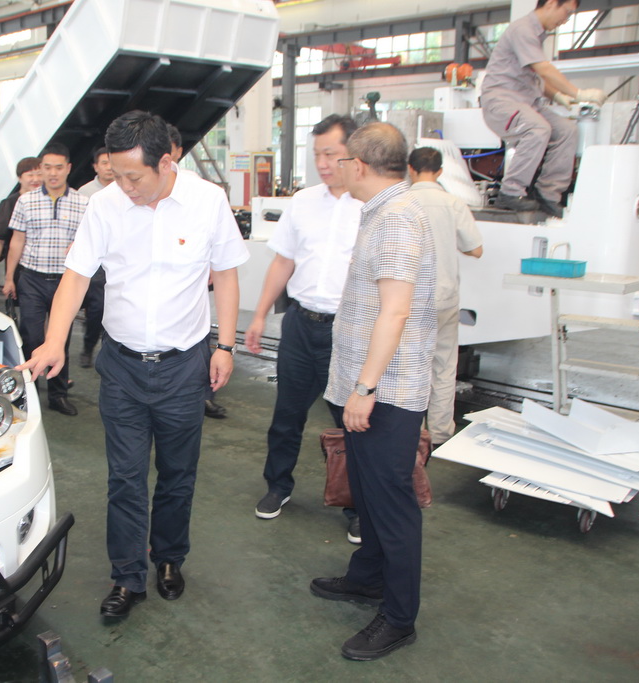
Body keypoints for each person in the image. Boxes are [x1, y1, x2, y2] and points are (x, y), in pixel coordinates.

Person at [20, 110, 247, 619]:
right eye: (116, 175)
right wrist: (54, 341)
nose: (123, 187)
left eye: (133, 177)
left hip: (184, 366)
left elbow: (227, 275)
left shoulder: (207, 200)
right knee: (125, 478)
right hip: (122, 367)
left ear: (165, 163)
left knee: (177, 473)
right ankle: (126, 576)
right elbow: (76, 275)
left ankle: (168, 559)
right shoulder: (105, 205)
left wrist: (226, 347)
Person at [310, 122, 436, 662]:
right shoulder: (380, 212)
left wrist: (365, 387)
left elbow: (396, 311)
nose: (333, 167)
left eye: (339, 159)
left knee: (392, 505)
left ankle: (399, 618)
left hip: (387, 391)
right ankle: (367, 579)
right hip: (364, 386)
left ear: (358, 165)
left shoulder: (399, 218)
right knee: (368, 494)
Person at [246, 114, 362, 526]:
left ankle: (357, 505)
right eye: (317, 155)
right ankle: (278, 486)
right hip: (300, 324)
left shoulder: (373, 205)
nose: (323, 163)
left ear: (354, 152)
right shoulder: (304, 202)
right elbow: (283, 262)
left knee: (351, 421)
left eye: (331, 154)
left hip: (348, 330)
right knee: (287, 415)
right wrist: (259, 315)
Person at [480, 0, 605, 217]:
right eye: (566, 12)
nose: (565, 20)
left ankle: (547, 195)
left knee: (567, 130)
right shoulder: (523, 30)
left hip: (527, 103)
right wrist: (578, 94)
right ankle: (510, 192)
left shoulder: (537, 36)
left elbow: (535, 77)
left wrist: (557, 96)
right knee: (538, 128)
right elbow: (544, 69)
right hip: (502, 102)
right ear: (551, 3)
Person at [407, 147, 484, 446]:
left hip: (408, 298)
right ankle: (439, 433)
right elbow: (475, 249)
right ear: (439, 171)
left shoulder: (401, 201)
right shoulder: (453, 203)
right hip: (445, 297)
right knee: (443, 366)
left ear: (410, 169)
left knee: (409, 366)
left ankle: (412, 432)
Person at [4, 143, 88, 416]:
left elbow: (89, 243)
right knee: (31, 335)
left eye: (58, 168)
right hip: (32, 279)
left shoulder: (83, 203)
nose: (53, 173)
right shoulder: (25, 201)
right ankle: (27, 393)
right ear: (41, 168)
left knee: (60, 338)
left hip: (66, 282)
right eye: (47, 167)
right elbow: (17, 241)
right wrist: (9, 278)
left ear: (68, 168)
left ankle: (58, 395)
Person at [165, 123, 229, 420]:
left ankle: (205, 396)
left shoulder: (202, 194)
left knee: (197, 342)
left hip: (189, 304)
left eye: (168, 152)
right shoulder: (120, 197)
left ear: (177, 152)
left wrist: (226, 347)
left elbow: (223, 261)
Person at [0, 157, 42, 298]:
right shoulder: (9, 203)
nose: (35, 179)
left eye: (39, 174)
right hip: (18, 269)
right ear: (19, 178)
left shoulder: (48, 201)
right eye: (30, 175)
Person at [76, 147, 112, 368]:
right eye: (104, 163)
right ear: (96, 166)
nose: (109, 167)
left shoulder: (127, 188)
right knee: (97, 308)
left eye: (111, 162)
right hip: (97, 262)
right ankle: (88, 348)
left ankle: (110, 352)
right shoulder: (85, 192)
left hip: (119, 260)